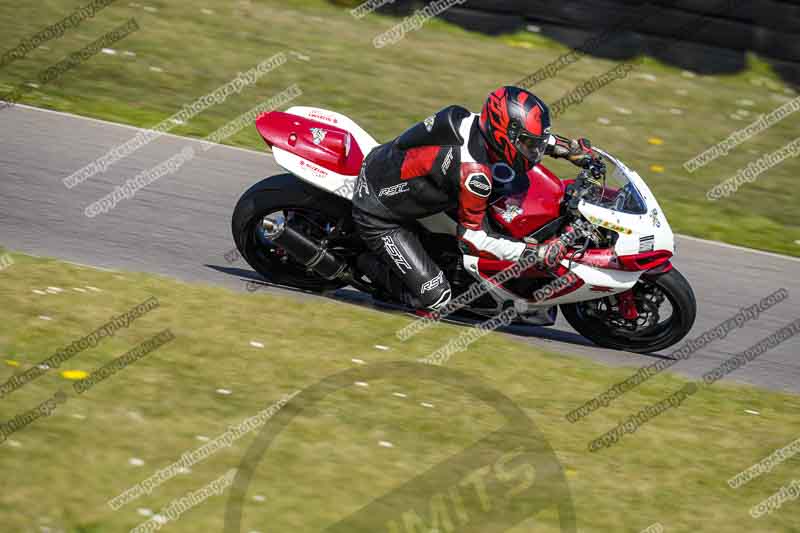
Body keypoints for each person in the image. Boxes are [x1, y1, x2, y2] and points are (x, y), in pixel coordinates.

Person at [352, 86, 601, 311]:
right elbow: (473, 240)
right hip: (380, 213)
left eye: (533, 143)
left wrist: (568, 149)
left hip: (398, 172)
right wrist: (535, 253)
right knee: (436, 298)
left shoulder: (474, 122)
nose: (534, 151)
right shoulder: (474, 174)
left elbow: (528, 136)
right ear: (503, 135)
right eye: (528, 144)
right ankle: (363, 262)